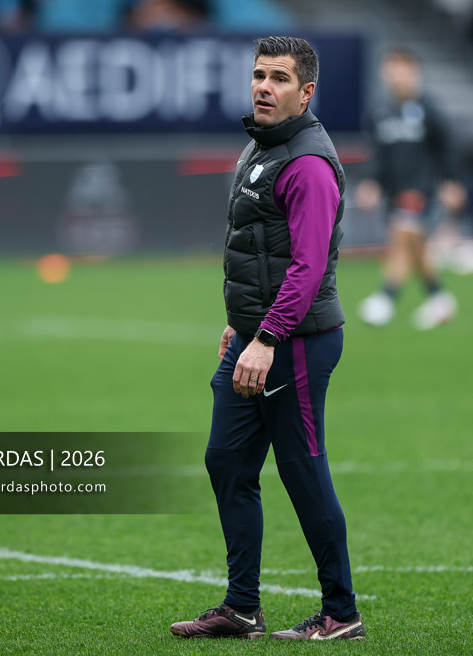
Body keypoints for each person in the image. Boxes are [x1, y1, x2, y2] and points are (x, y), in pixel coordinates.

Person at [170, 36, 365, 641]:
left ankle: (341, 612)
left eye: (280, 78)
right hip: (258, 336)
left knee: (303, 470)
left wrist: (268, 336)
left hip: (296, 343)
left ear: (305, 93)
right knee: (226, 460)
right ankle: (242, 608)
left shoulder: (307, 163)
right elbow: (260, 252)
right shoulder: (261, 147)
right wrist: (244, 323)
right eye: (259, 74)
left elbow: (307, 267)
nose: (263, 86)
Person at [356, 48, 464, 330]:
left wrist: (450, 182)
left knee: (402, 240)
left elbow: (448, 147)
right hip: (394, 190)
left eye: (403, 69)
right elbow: (378, 155)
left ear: (415, 73)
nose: (397, 76)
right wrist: (372, 182)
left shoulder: (429, 110)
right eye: (392, 69)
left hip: (421, 189)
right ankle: (440, 298)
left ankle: (386, 298)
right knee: (415, 247)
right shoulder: (379, 113)